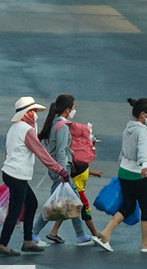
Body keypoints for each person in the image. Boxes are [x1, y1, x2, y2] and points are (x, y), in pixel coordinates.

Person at [0, 96, 69, 257]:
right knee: (16, 210)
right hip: (17, 175)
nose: (36, 114)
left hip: (11, 173)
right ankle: (3, 244)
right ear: (27, 113)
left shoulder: (15, 128)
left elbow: (8, 151)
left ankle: (28, 240)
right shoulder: (26, 130)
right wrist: (61, 170)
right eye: (34, 111)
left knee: (31, 203)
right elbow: (41, 153)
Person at [92, 97, 147, 253]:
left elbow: (124, 150)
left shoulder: (128, 129)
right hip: (138, 175)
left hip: (124, 172)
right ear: (143, 114)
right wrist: (145, 165)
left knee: (128, 205)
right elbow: (143, 150)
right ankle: (146, 243)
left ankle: (105, 233)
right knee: (146, 207)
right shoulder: (142, 131)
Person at [29, 94, 101, 246]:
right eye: (74, 108)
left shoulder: (54, 124)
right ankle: (33, 233)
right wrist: (63, 172)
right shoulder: (62, 127)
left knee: (71, 201)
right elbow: (61, 151)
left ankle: (80, 235)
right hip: (62, 170)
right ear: (67, 110)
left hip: (58, 169)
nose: (74, 111)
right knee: (58, 203)